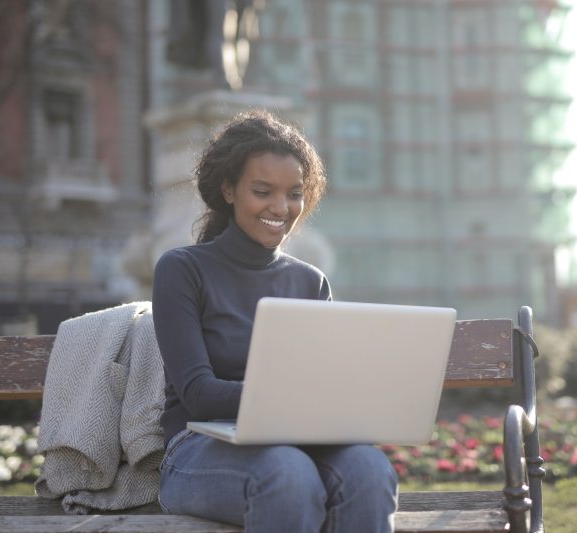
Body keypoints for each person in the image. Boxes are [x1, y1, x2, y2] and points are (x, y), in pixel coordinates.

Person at [151, 110, 398, 532]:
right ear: (228, 189)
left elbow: (321, 385)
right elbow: (199, 394)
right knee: (286, 474)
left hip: (295, 439)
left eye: (295, 194)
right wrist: (290, 397)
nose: (281, 208)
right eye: (262, 191)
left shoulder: (309, 281)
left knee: (369, 469)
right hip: (201, 446)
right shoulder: (182, 269)